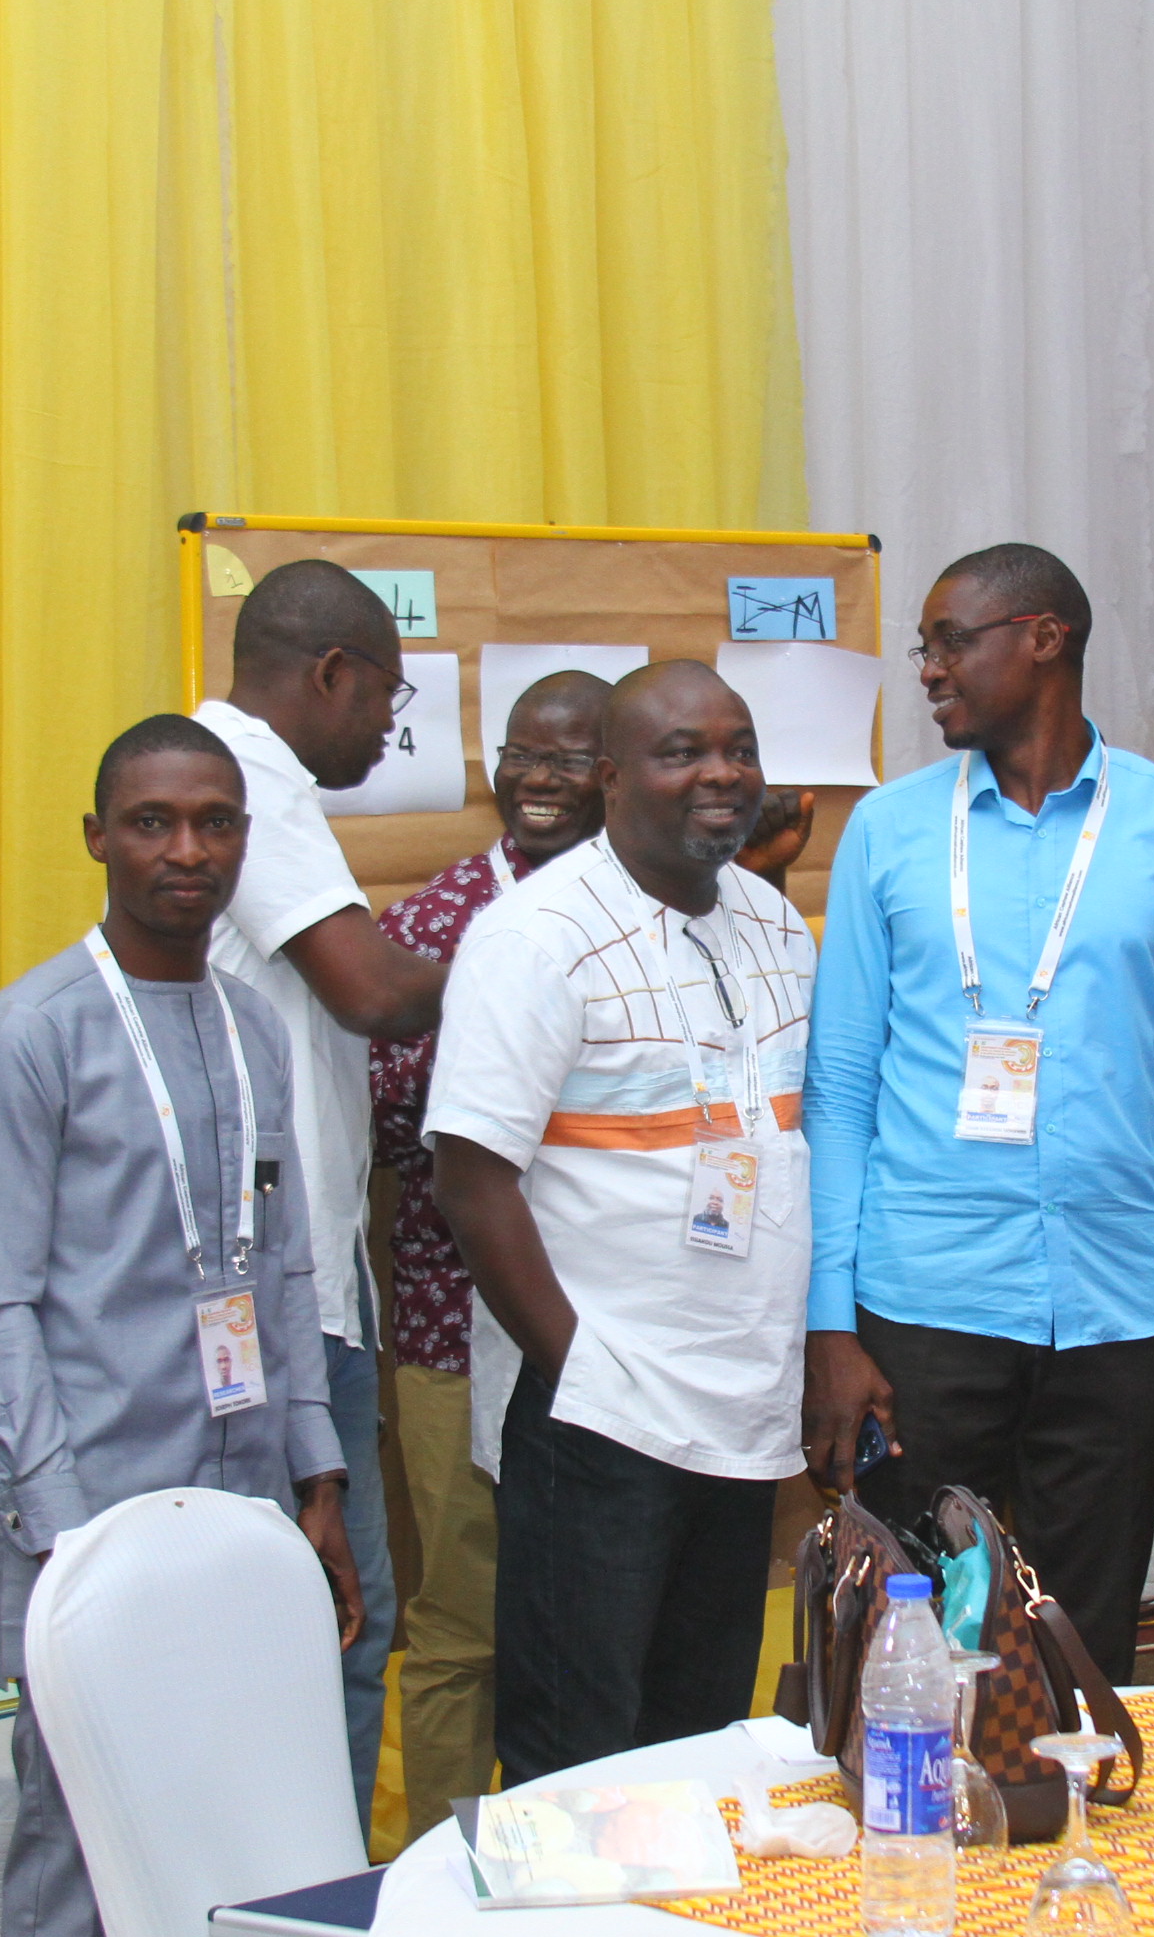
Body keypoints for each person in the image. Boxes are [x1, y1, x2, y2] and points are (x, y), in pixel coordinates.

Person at [0, 713, 364, 1937]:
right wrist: (63, 1535)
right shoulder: (27, 1035)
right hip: (90, 1509)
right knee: (78, 1834)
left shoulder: (252, 1028)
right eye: (152, 822)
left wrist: (317, 1474)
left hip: (244, 1495)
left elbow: (283, 1264)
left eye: (214, 823)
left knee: (232, 1807)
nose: (186, 851)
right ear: (97, 838)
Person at [806, 545, 1154, 1680]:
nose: (928, 670)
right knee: (906, 1641)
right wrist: (829, 1323)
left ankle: (1069, 1797)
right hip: (924, 1301)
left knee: (1081, 1642)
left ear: (1045, 638)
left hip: (1118, 1309)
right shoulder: (889, 830)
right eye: (925, 647)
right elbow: (841, 1086)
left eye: (950, 642)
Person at [427, 663, 816, 1779]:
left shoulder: (775, 924)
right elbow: (470, 1179)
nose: (722, 774)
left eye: (739, 749)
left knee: (696, 1746)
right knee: (576, 1761)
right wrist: (581, 1368)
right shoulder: (534, 936)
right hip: (600, 1416)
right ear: (609, 777)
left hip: (741, 1410)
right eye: (682, 752)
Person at [198, 558, 449, 1818]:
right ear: (335, 672)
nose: (388, 731)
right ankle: (313, 1907)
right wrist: (537, 961)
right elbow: (371, 989)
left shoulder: (248, 777)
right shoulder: (244, 777)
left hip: (302, 1271)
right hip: (275, 1293)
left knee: (329, 1615)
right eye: (388, 701)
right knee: (336, 1621)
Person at [368, 668, 609, 1838]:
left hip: (618, 1331)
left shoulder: (652, 914)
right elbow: (388, 1127)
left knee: (598, 1619)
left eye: (568, 757)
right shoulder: (435, 921)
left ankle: (590, 1858)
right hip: (451, 1330)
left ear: (616, 773)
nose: (536, 779)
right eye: (520, 753)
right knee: (461, 1629)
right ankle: (441, 1873)